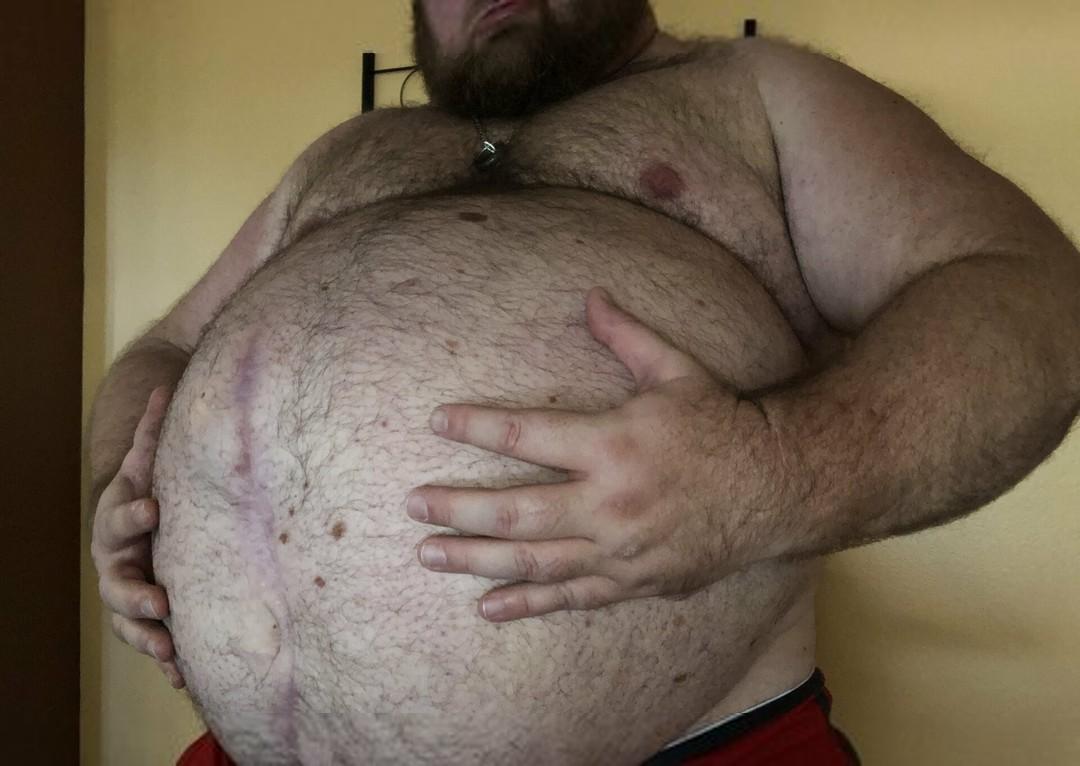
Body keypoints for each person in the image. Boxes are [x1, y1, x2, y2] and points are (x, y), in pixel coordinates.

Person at [88, 1, 1080, 763]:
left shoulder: (752, 92)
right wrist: (118, 497)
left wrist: (772, 471)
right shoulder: (345, 153)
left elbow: (1032, 295)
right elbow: (161, 349)